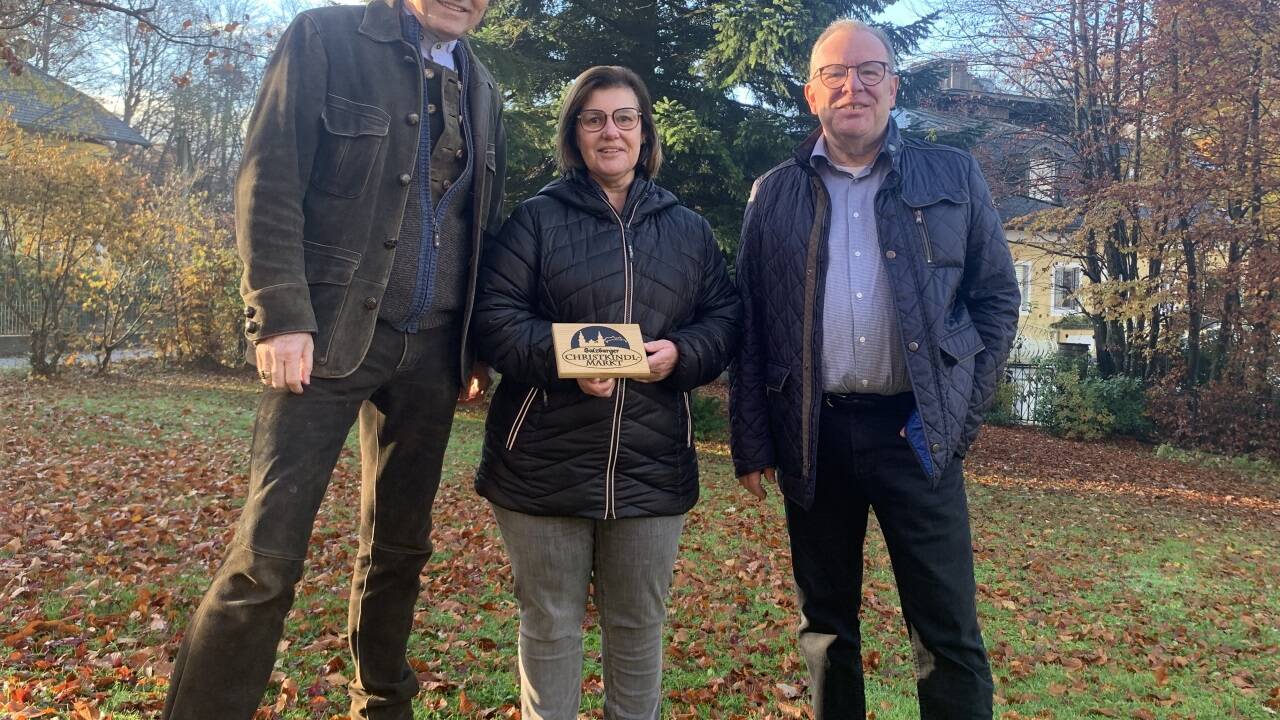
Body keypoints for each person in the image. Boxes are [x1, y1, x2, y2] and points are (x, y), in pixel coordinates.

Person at [162, 0, 504, 718]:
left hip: (435, 350)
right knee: (267, 556)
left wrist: (472, 345)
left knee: (401, 550)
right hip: (326, 335)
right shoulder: (323, 37)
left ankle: (382, 705)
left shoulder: (484, 86)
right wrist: (281, 315)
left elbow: (479, 221)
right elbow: (270, 176)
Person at [729, 19, 1020, 720]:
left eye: (869, 71)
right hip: (815, 436)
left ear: (893, 85)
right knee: (826, 629)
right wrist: (754, 441)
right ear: (811, 94)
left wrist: (954, 415)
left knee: (946, 630)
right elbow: (750, 325)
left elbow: (995, 300)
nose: (852, 85)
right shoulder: (772, 196)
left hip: (915, 434)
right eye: (834, 73)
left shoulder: (952, 175)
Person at [472, 65, 740, 720]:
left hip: (651, 465)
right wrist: (566, 359)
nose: (610, 131)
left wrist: (682, 354)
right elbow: (494, 318)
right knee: (551, 624)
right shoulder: (537, 220)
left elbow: (725, 319)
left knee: (637, 625)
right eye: (593, 119)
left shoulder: (688, 230)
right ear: (576, 133)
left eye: (624, 117)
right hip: (541, 462)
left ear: (644, 132)